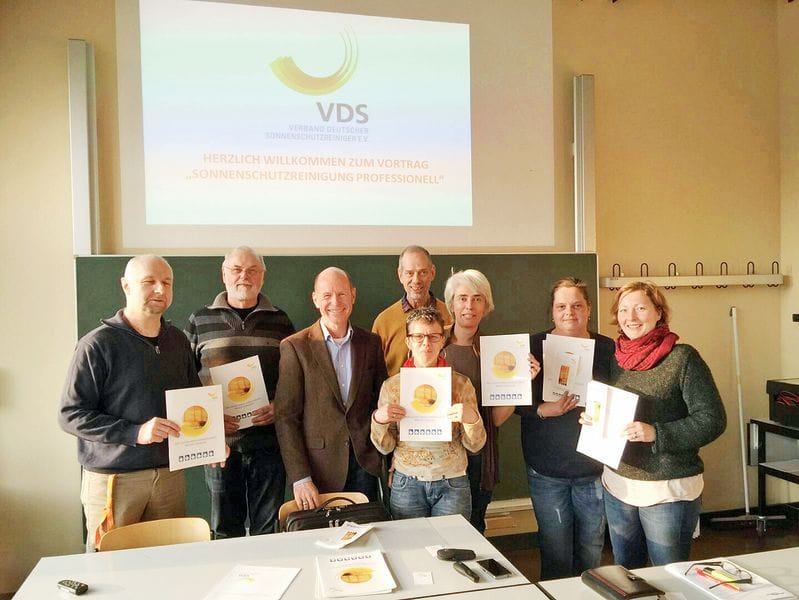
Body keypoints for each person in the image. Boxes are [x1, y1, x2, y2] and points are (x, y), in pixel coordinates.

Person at [59, 255, 202, 552]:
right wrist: (135, 432)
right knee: (111, 568)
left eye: (167, 283)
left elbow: (193, 399)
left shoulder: (177, 341)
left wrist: (210, 440)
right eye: (149, 282)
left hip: (169, 477)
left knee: (171, 564)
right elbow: (71, 414)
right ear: (126, 286)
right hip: (115, 479)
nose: (160, 290)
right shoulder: (97, 344)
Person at [581, 281, 727, 568]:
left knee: (669, 575)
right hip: (619, 487)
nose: (631, 317)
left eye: (640, 308)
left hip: (667, 492)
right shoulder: (615, 358)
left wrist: (656, 433)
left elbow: (713, 419)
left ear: (659, 312)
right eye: (624, 309)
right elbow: (609, 406)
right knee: (628, 576)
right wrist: (594, 419)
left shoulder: (683, 358)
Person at [494, 277, 614, 579]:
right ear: (552, 311)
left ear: (589, 309)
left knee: (591, 550)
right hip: (546, 469)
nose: (569, 312)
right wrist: (541, 409)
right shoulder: (531, 346)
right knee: (555, 552)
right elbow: (508, 400)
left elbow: (618, 398)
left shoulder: (607, 348)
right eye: (561, 306)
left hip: (592, 469)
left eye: (577, 305)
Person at [185, 246, 295, 538]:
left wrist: (278, 405)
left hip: (269, 444)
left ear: (263, 276)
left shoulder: (281, 321)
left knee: (267, 529)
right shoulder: (199, 320)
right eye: (236, 269)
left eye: (252, 270)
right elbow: (185, 379)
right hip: (220, 444)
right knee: (224, 530)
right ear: (224, 274)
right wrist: (209, 424)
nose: (244, 276)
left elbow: (293, 378)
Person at [274, 267, 388, 510]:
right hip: (318, 472)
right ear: (315, 299)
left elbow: (381, 401)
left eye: (342, 294)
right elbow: (286, 418)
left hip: (365, 466)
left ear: (353, 296)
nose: (335, 302)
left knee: (367, 529)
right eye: (327, 295)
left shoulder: (371, 343)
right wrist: (300, 477)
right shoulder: (295, 347)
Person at [371, 307, 486, 520]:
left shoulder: (461, 384)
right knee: (411, 541)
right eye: (418, 337)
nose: (426, 343)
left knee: (451, 541)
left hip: (452, 482)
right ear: (408, 341)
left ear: (442, 341)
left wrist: (471, 419)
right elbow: (385, 446)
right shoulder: (393, 387)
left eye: (433, 337)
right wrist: (379, 420)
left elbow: (475, 445)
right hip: (407, 483)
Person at [439, 269, 498, 533]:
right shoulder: (431, 341)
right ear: (451, 303)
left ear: (486, 305)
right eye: (462, 298)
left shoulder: (497, 350)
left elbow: (496, 418)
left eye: (477, 299)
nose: (469, 306)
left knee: (472, 527)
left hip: (477, 455)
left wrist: (521, 383)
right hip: (436, 453)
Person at [372, 245, 453, 376]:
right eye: (409, 273)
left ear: (432, 273)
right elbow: (374, 372)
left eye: (423, 272)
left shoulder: (450, 316)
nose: (416, 280)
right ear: (400, 275)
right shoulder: (383, 322)